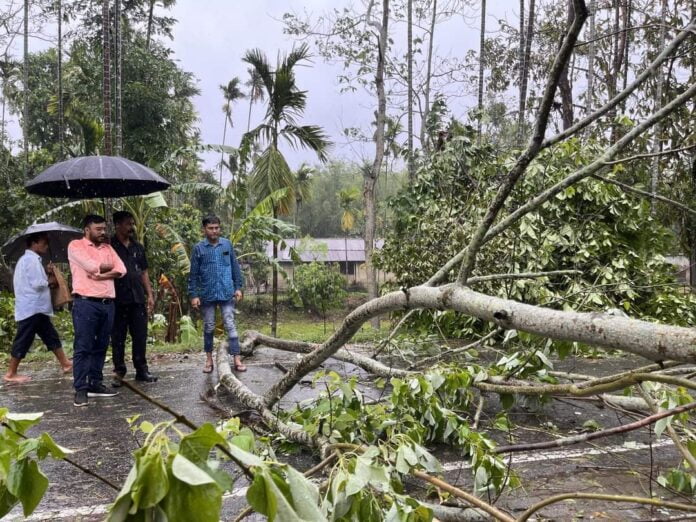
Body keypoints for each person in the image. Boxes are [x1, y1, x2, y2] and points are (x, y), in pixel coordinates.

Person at [68, 215, 126, 407]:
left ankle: (95, 383)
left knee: (101, 345)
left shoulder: (108, 248)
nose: (103, 232)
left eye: (104, 229)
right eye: (98, 229)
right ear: (87, 229)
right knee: (83, 346)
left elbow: (122, 269)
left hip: (107, 303)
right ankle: (81, 389)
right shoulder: (75, 246)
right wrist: (107, 269)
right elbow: (91, 266)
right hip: (85, 303)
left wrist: (100, 276)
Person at [3, 232, 73, 383]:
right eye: (44, 243)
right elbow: (38, 284)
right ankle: (10, 373)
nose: (46, 246)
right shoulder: (31, 260)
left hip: (36, 307)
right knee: (23, 339)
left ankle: (65, 363)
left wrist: (47, 273)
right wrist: (51, 280)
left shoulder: (28, 260)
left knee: (50, 336)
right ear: (34, 243)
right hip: (32, 308)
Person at [188, 215, 245, 373]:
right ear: (204, 229)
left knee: (230, 324)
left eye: (217, 228)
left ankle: (236, 358)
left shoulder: (227, 245)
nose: (214, 231)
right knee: (209, 327)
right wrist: (194, 295)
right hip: (207, 294)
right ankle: (208, 360)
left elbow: (235, 267)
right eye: (211, 228)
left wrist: (238, 287)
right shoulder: (199, 249)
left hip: (227, 292)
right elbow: (193, 275)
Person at [110, 211, 157, 386]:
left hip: (137, 298)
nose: (131, 227)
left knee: (140, 335)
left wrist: (150, 295)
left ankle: (141, 370)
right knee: (118, 337)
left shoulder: (138, 247)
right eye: (128, 224)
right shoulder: (109, 246)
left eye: (132, 224)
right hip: (117, 298)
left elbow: (144, 272)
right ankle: (119, 371)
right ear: (117, 225)